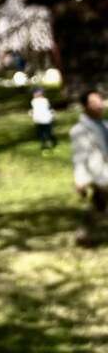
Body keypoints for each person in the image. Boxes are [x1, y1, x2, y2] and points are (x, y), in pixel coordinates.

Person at [71, 89, 108, 247]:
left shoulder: (104, 125)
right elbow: (79, 156)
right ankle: (84, 233)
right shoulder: (79, 130)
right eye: (94, 102)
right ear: (85, 106)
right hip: (98, 174)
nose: (99, 105)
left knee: (99, 204)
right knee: (99, 203)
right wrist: (80, 180)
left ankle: (83, 234)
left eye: (100, 101)